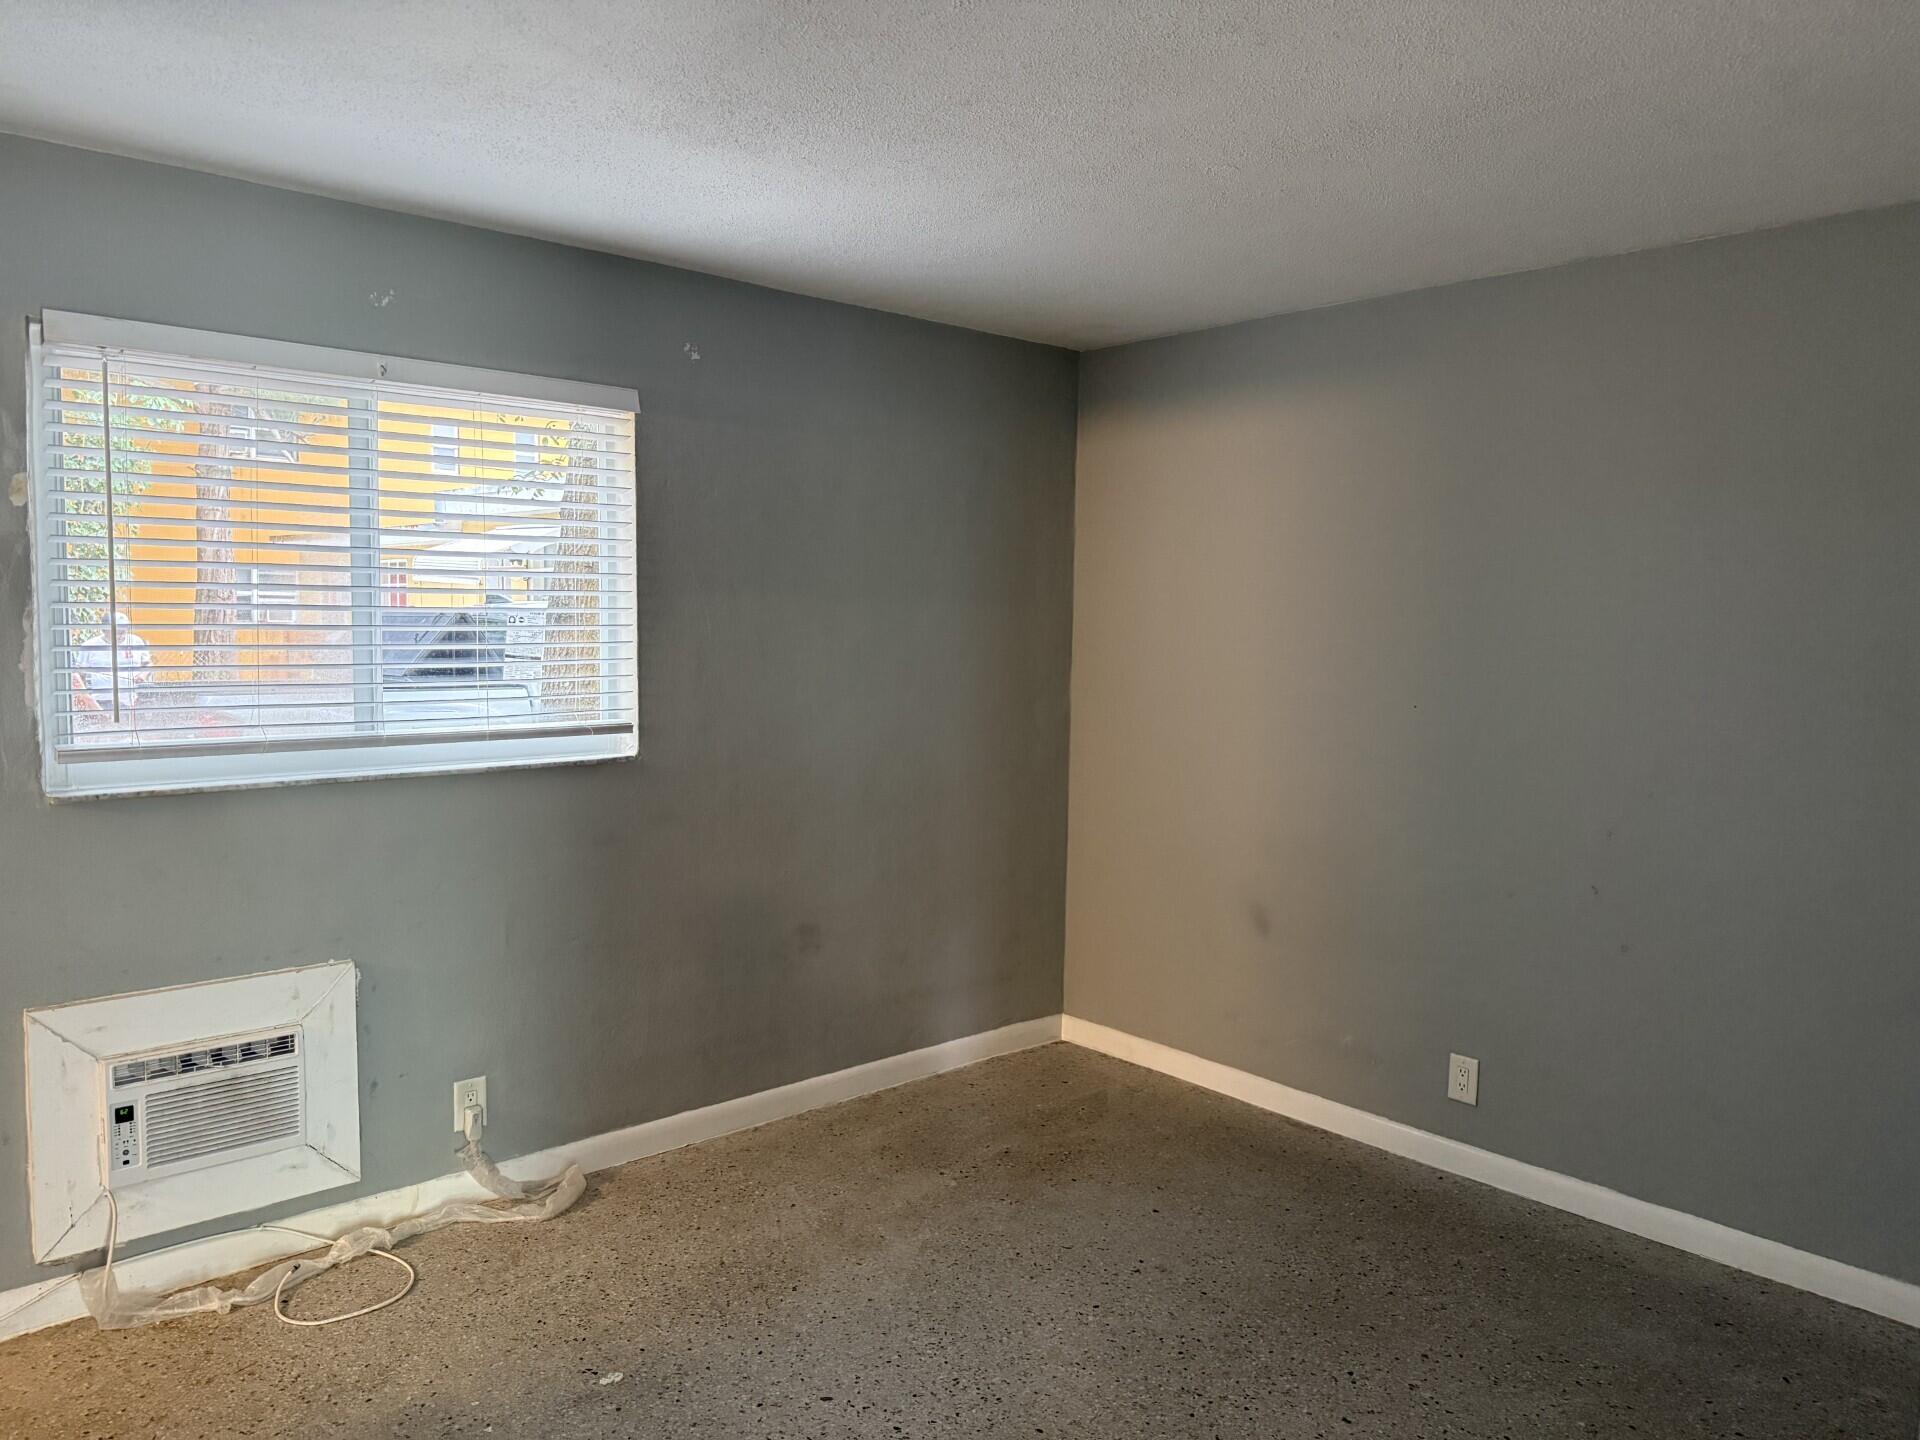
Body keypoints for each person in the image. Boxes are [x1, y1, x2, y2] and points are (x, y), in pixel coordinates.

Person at [73, 612, 153, 707]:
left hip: (133, 701)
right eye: (118, 632)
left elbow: (148, 664)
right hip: (101, 702)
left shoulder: (136, 642)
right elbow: (80, 675)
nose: (121, 636)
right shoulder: (89, 646)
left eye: (124, 631)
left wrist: (143, 675)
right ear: (105, 630)